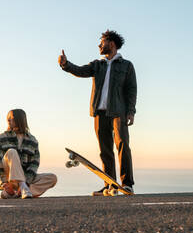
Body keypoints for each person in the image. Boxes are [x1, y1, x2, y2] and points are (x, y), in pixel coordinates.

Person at [58, 30, 137, 196]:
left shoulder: (126, 65)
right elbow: (80, 71)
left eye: (102, 42)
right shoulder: (97, 64)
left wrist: (131, 111)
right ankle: (110, 184)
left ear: (112, 44)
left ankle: (127, 184)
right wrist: (66, 65)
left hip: (119, 112)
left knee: (123, 145)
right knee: (105, 149)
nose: (99, 45)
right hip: (99, 113)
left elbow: (131, 90)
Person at [0, 109, 57, 199]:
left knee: (52, 178)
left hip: (24, 177)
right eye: (7, 118)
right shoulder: (2, 137)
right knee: (12, 152)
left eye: (11, 118)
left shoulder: (32, 140)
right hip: (6, 176)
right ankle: (22, 188)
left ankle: (16, 192)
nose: (8, 120)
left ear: (20, 120)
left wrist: (27, 181)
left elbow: (34, 165)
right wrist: (4, 183)